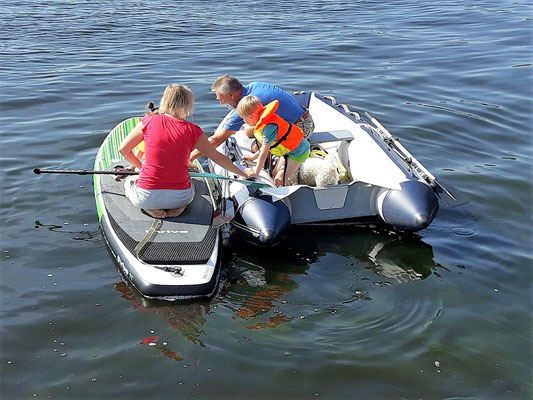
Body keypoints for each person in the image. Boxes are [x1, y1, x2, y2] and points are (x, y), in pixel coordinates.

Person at [119, 84, 250, 219]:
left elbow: (123, 149)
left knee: (129, 181)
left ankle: (151, 209)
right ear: (188, 105)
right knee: (189, 188)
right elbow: (218, 157)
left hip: (146, 197)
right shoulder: (193, 130)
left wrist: (141, 168)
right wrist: (244, 175)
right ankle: (178, 208)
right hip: (181, 197)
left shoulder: (148, 121)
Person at [189, 75, 314, 161]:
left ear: (230, 95)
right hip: (304, 118)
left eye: (220, 98)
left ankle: (277, 165)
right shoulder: (255, 86)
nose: (220, 103)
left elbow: (216, 140)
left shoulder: (243, 106)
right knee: (249, 132)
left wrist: (190, 157)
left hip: (301, 128)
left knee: (256, 147)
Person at [238, 95, 310, 187]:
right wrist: (252, 158)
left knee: (279, 180)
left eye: (244, 118)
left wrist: (256, 172)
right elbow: (266, 148)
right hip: (288, 149)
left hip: (299, 152)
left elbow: (264, 152)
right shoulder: (263, 124)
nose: (244, 121)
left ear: (251, 117)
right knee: (274, 173)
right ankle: (289, 185)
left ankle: (293, 193)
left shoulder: (269, 128)